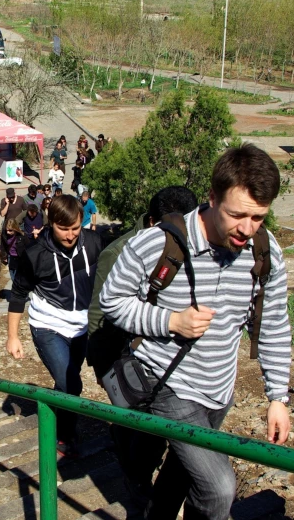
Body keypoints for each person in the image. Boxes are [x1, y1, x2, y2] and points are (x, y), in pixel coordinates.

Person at [100, 144, 292, 520]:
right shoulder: (159, 243)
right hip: (169, 384)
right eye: (238, 215)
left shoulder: (265, 253)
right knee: (218, 487)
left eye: (259, 217)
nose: (247, 229)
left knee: (181, 474)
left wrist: (278, 397)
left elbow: (272, 325)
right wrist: (172, 322)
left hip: (219, 390)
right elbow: (112, 300)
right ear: (211, 198)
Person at [87, 186, 198, 506]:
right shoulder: (119, 252)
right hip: (121, 357)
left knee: (155, 429)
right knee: (133, 422)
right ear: (153, 222)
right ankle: (134, 479)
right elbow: (99, 314)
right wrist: (103, 367)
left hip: (167, 359)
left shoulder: (188, 249)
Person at [6, 195, 103, 456]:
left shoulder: (93, 244)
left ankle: (55, 411)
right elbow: (17, 295)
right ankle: (64, 435)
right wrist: (13, 336)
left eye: (75, 228)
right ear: (51, 224)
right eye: (64, 229)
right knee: (72, 383)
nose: (71, 235)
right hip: (48, 325)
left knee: (67, 383)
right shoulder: (35, 255)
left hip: (81, 326)